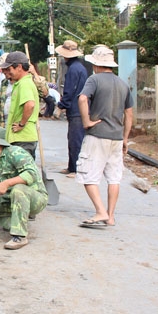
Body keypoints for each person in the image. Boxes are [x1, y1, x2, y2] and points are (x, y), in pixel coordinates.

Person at [76, 46, 133, 228]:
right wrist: (125, 138)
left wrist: (86, 121)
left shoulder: (94, 79)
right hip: (116, 137)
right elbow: (129, 114)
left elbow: (83, 98)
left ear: (96, 64)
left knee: (88, 176)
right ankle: (110, 216)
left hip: (97, 135)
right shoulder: (122, 83)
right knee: (114, 178)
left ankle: (100, 211)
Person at [0, 124, 48, 250]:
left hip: (35, 198)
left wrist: (6, 183)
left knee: (18, 189)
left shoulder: (16, 153)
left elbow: (31, 174)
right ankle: (12, 222)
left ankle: (20, 236)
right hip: (10, 198)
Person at [0, 51, 39, 159]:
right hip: (19, 138)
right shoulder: (20, 83)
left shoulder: (24, 84)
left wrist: (21, 124)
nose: (8, 72)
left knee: (23, 173)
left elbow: (30, 104)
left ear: (19, 67)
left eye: (9, 69)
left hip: (23, 139)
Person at [56, 40, 88, 177]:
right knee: (73, 138)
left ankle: (76, 169)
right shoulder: (78, 68)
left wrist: (61, 106)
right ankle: (71, 166)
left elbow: (69, 91)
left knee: (76, 140)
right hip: (77, 109)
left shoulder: (74, 70)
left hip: (77, 109)